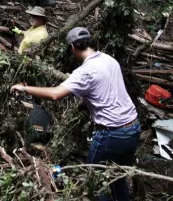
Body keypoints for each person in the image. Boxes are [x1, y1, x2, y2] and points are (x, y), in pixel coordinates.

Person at [10, 27, 140, 201]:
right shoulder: (109, 60)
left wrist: (25, 88)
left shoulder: (85, 72)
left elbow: (55, 94)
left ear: (72, 47)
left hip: (112, 134)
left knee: (95, 183)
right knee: (118, 179)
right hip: (133, 128)